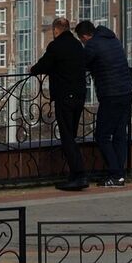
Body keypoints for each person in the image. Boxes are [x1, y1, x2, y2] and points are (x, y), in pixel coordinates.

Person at [29, 16, 89, 190]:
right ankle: (75, 175)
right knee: (72, 134)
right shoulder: (77, 45)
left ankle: (79, 175)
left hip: (65, 96)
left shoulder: (56, 46)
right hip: (80, 95)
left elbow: (43, 65)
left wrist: (32, 70)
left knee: (67, 137)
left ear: (56, 30)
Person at [77, 19, 132, 187]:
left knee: (102, 135)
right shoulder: (113, 39)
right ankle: (119, 175)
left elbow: (81, 64)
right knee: (120, 134)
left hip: (110, 94)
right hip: (126, 92)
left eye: (81, 40)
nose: (83, 43)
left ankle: (115, 174)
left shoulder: (93, 45)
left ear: (85, 36)